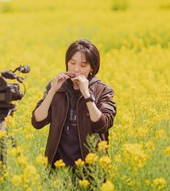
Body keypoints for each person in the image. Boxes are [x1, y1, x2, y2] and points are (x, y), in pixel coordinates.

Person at [31, 39, 116, 168]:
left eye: (83, 66)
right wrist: (52, 91)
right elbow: (37, 122)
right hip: (58, 166)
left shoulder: (102, 90)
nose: (76, 69)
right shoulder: (58, 87)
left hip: (91, 168)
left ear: (92, 68)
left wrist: (87, 94)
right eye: (72, 63)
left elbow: (102, 125)